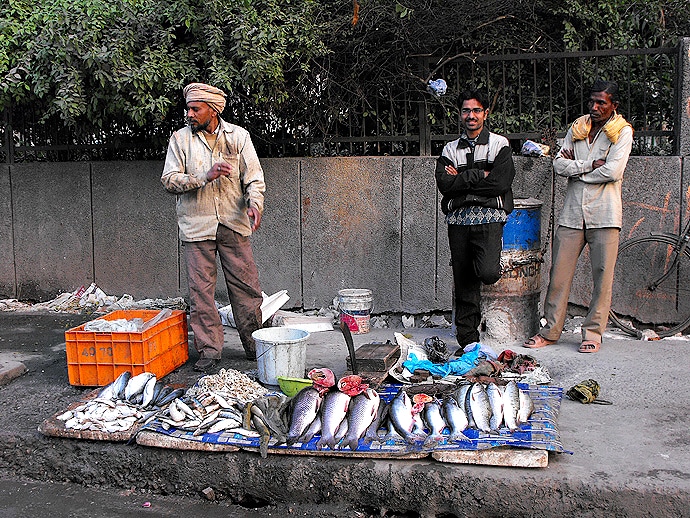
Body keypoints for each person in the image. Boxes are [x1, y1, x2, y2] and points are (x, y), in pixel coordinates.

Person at [161, 83, 265, 371]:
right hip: (196, 227)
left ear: (213, 110)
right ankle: (209, 350)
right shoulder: (180, 140)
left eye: (196, 109)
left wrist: (255, 204)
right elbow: (169, 180)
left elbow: (254, 178)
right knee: (201, 292)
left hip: (233, 222)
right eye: (189, 108)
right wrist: (203, 176)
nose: (189, 113)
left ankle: (256, 345)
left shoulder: (238, 137)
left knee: (247, 289)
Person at [524, 79, 633, 354]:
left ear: (614, 105)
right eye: (592, 101)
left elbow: (612, 172)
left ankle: (593, 333)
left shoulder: (622, 132)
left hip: (605, 215)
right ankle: (550, 331)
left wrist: (578, 171)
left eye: (602, 103)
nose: (595, 107)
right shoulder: (579, 126)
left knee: (602, 278)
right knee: (558, 275)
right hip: (572, 213)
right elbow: (559, 164)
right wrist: (587, 165)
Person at [435, 89, 515, 354]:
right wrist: (478, 174)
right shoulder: (450, 149)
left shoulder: (499, 144)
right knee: (464, 279)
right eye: (466, 110)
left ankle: (475, 328)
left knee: (487, 272)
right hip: (458, 222)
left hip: (490, 218)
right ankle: (468, 340)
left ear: (485, 114)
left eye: (476, 110)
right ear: (461, 114)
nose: (471, 115)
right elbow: (445, 185)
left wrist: (462, 181)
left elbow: (500, 183)